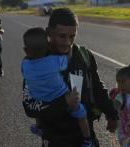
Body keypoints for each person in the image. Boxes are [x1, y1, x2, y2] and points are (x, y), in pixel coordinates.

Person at [22, 8, 118, 147]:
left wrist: (111, 114)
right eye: (62, 36)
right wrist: (64, 102)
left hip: (86, 138)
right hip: (55, 139)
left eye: (72, 36)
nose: (67, 42)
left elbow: (97, 87)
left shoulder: (84, 55)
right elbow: (29, 107)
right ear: (49, 32)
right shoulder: (37, 61)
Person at [21, 27, 93, 147]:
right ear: (49, 45)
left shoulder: (25, 64)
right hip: (61, 95)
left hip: (39, 97)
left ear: (26, 50)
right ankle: (87, 139)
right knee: (81, 112)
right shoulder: (53, 61)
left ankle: (38, 127)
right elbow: (67, 60)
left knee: (39, 110)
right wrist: (69, 48)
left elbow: (24, 73)